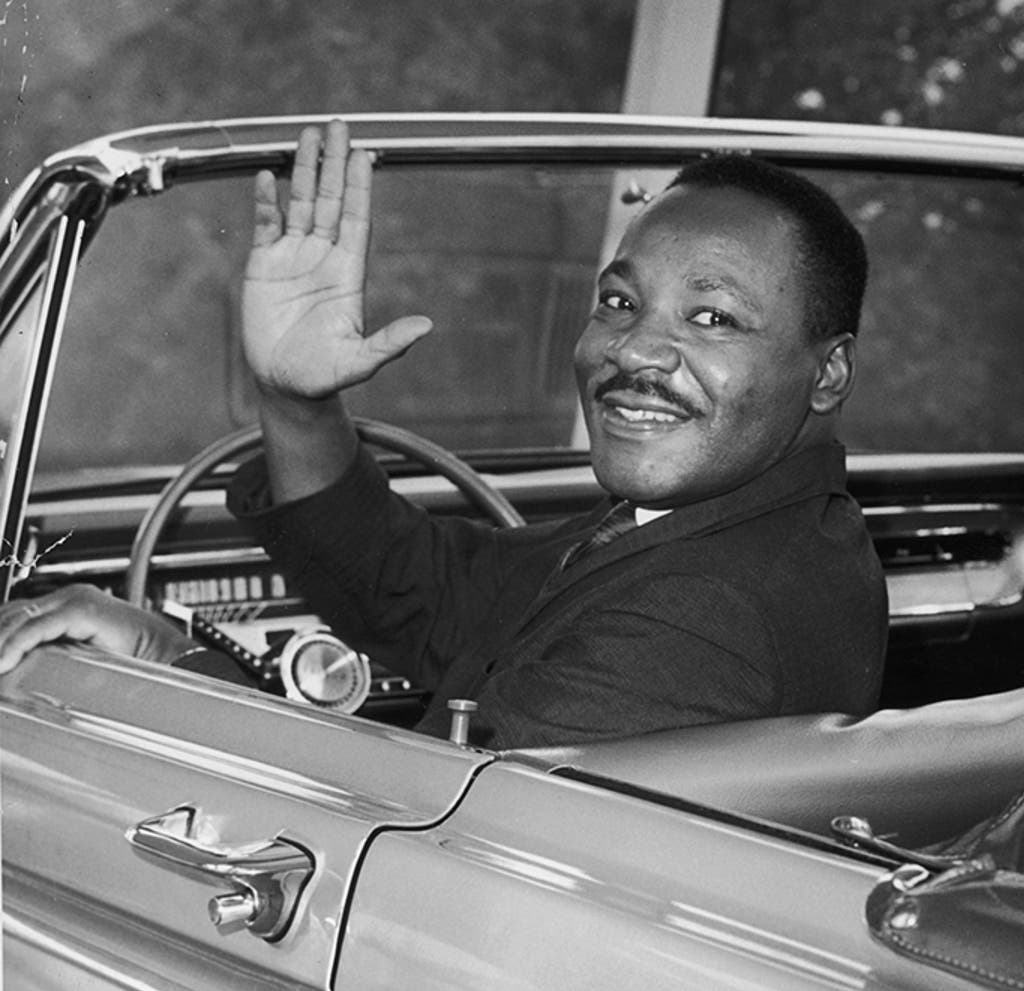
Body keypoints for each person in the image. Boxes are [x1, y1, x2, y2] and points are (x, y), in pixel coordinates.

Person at [0, 120, 887, 748]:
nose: (637, 351)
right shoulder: (713, 531)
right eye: (620, 302)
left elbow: (395, 839)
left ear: (829, 373)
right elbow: (417, 592)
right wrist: (295, 399)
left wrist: (165, 652)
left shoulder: (705, 616)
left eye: (715, 318)